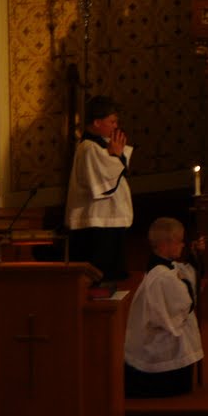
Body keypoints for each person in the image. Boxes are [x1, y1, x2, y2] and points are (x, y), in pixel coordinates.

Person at [123, 217, 205, 399]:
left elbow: (186, 274)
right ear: (165, 244)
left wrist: (194, 256)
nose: (182, 245)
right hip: (159, 356)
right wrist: (186, 283)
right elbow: (184, 304)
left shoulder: (165, 268)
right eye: (179, 241)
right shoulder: (161, 277)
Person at [64, 95, 133, 283]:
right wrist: (116, 156)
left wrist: (116, 155)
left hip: (107, 222)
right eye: (112, 121)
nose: (115, 126)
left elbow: (116, 170)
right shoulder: (88, 148)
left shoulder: (100, 145)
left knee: (111, 276)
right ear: (96, 122)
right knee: (100, 278)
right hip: (97, 224)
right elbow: (102, 180)